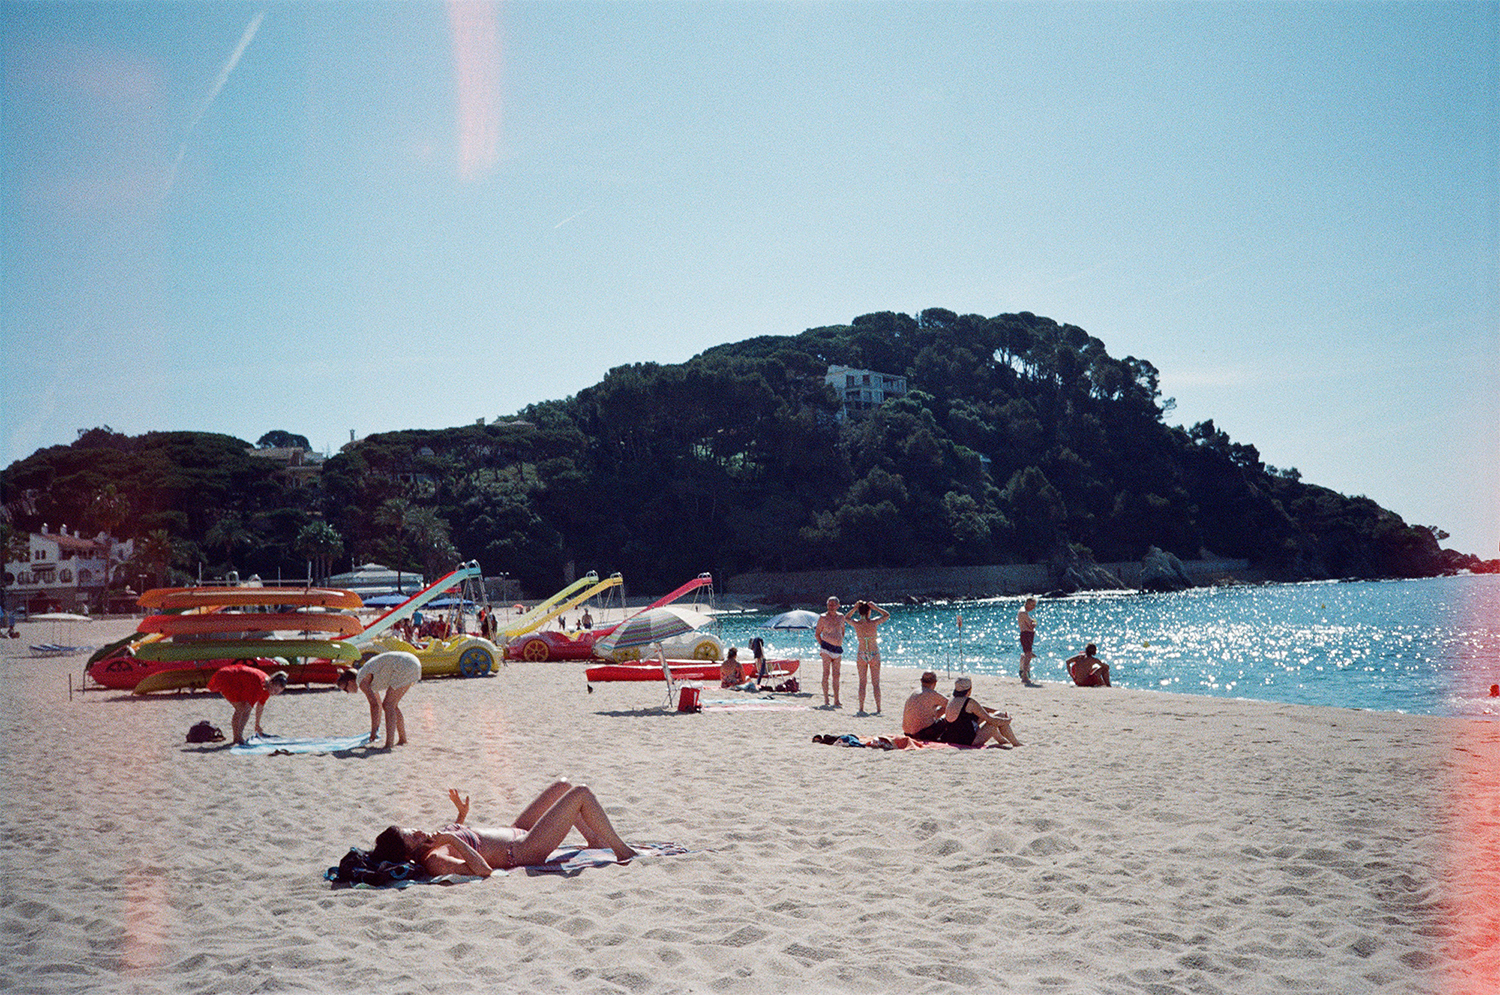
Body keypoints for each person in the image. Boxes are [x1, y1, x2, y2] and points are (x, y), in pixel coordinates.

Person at [371, 781, 636, 878]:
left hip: (517, 830)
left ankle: (594, 842)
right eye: (412, 837)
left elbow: (468, 840)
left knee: (563, 786)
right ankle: (621, 850)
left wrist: (460, 817)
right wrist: (453, 836)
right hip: (521, 850)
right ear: (408, 854)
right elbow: (483, 870)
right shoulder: (434, 861)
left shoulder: (431, 841)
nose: (420, 832)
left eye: (413, 829)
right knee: (581, 793)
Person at [337, 650, 422, 748]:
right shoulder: (364, 676)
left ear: (351, 681)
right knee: (391, 705)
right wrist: (375, 729)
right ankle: (402, 739)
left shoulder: (361, 679)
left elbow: (374, 705)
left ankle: (389, 744)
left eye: (345, 689)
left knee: (388, 705)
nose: (347, 692)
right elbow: (378, 705)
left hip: (405, 665)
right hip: (411, 662)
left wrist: (373, 732)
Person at [206, 664, 287, 745]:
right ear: (271, 682)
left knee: (243, 708)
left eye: (277, 692)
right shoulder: (260, 686)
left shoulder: (267, 687)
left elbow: (260, 706)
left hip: (236, 679)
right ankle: (237, 737)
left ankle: (237, 738)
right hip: (227, 676)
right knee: (242, 709)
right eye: (275, 690)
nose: (275, 693)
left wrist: (257, 724)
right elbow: (247, 710)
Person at [943, 676, 1022, 747]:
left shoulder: (952, 699)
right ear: (969, 689)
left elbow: (980, 709)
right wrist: (1008, 720)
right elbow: (991, 720)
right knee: (995, 721)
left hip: (953, 738)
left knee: (997, 714)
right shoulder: (969, 702)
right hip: (968, 741)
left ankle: (1002, 741)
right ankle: (1016, 743)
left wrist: (995, 711)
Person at [844, 599, 889, 714]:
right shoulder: (873, 622)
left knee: (862, 682)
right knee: (875, 683)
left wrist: (854, 608)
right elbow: (886, 615)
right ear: (869, 612)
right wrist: (876, 607)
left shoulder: (857, 624)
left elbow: (846, 618)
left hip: (861, 653)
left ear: (859, 612)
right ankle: (878, 708)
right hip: (874, 653)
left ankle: (861, 708)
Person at [814, 596, 846, 708]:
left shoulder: (841, 617)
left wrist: (838, 641)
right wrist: (823, 645)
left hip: (837, 649)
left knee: (836, 675)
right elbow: (817, 633)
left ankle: (836, 699)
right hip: (826, 648)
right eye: (829, 604)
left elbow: (843, 631)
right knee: (826, 673)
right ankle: (826, 699)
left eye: (833, 604)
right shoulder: (823, 617)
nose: (831, 607)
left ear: (838, 605)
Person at [901, 671, 951, 742]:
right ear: (935, 682)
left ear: (921, 681)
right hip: (923, 734)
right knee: (948, 714)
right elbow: (951, 704)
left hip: (907, 733)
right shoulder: (932, 694)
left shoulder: (914, 692)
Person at [1017, 597, 1039, 684]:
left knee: (1027, 654)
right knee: (1028, 654)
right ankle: (1024, 675)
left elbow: (1032, 623)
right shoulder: (1023, 613)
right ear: (1027, 603)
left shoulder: (1025, 612)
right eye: (1032, 605)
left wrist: (1033, 622)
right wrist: (1034, 622)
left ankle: (1023, 667)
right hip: (1026, 634)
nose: (1033, 607)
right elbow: (1031, 624)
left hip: (1028, 634)